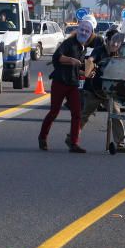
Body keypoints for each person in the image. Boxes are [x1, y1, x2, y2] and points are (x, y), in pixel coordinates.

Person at [38, 18, 91, 153]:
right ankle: (42, 138)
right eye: (82, 29)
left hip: (73, 83)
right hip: (60, 81)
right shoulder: (68, 43)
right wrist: (71, 60)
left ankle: (73, 143)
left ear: (90, 34)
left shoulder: (83, 48)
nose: (84, 32)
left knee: (77, 113)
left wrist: (87, 72)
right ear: (78, 30)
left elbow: (76, 68)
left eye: (87, 31)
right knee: (54, 112)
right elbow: (57, 57)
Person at [74, 29, 125, 152]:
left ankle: (120, 144)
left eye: (118, 42)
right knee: (84, 116)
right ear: (107, 41)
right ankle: (72, 139)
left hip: (109, 92)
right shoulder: (99, 50)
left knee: (116, 115)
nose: (115, 44)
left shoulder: (120, 53)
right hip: (93, 90)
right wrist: (90, 67)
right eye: (113, 42)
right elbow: (90, 60)